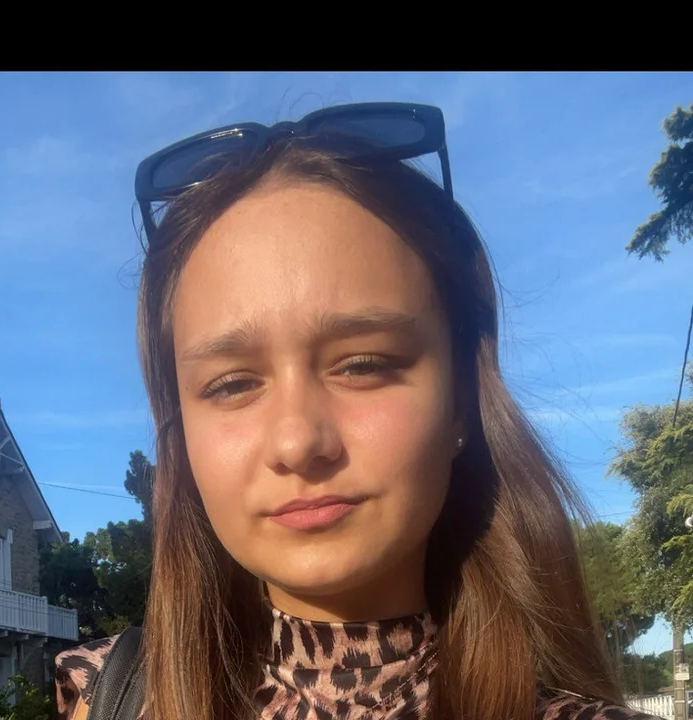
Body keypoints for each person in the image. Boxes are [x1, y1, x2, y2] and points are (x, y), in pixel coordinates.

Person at [54, 103, 658, 720]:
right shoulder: (108, 699)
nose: (297, 441)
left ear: (460, 400)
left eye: (363, 365)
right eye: (232, 384)